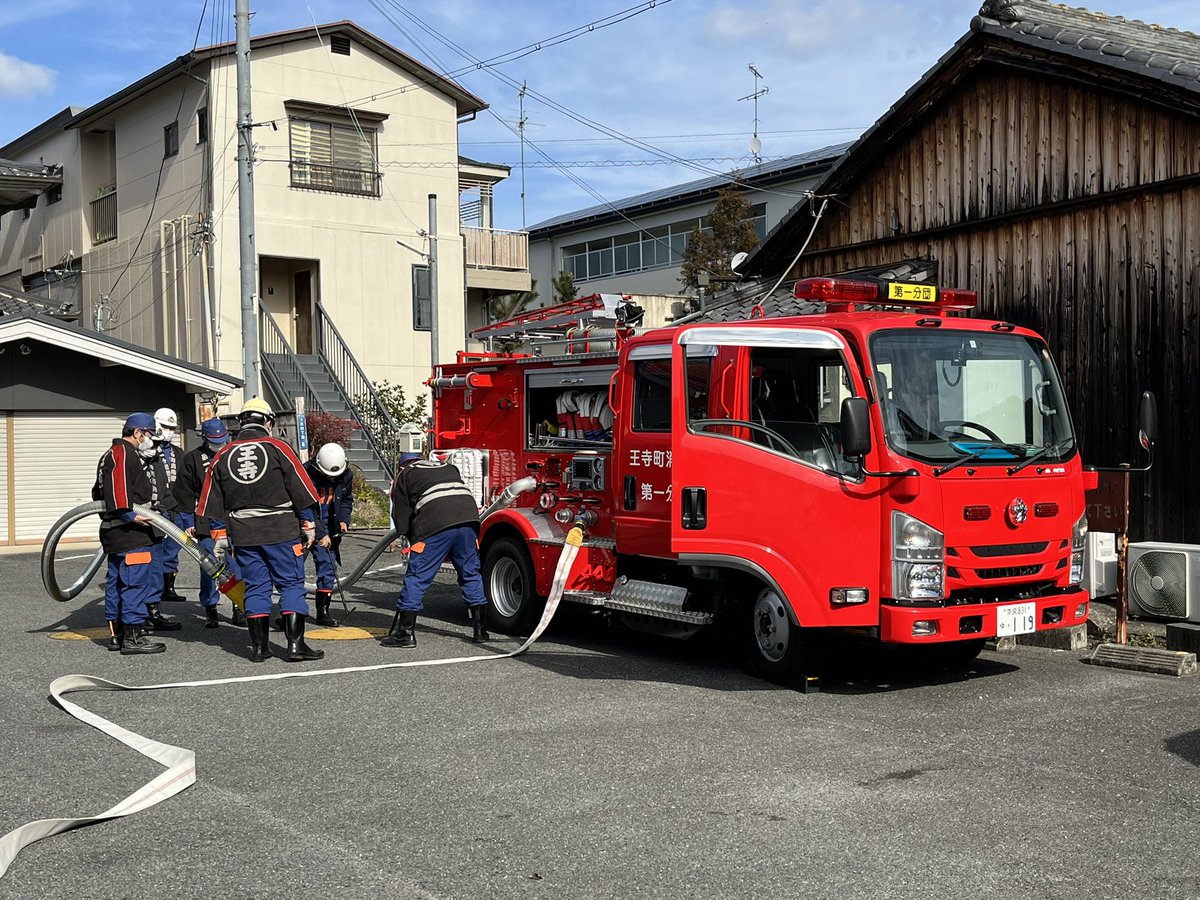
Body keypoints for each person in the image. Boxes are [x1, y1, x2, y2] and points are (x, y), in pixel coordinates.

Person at [197, 398, 322, 663]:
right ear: (268, 421)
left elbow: (212, 501)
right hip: (281, 530)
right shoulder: (278, 447)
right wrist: (309, 523)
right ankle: (296, 646)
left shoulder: (222, 455)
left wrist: (219, 535)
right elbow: (300, 489)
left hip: (244, 534)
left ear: (241, 423)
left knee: (256, 587)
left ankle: (258, 648)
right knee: (291, 585)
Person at [381, 452, 489, 648]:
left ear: (401, 466)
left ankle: (405, 634)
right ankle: (480, 630)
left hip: (435, 522)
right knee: (470, 572)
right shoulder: (446, 466)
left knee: (417, 577)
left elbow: (401, 515)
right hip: (469, 519)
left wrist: (413, 538)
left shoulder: (405, 474)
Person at [92, 413, 168, 655]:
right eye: (149, 435)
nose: (151, 441)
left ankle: (117, 636)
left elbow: (97, 493)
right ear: (138, 432)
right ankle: (134, 637)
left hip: (115, 533)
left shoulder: (109, 454)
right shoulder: (123, 454)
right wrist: (130, 515)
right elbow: (119, 491)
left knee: (115, 582)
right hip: (132, 534)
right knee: (135, 583)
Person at [173, 417, 246, 628]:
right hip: (204, 519)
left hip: (234, 518)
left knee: (237, 565)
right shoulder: (193, 459)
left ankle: (238, 605)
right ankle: (210, 607)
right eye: (214, 440)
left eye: (222, 438)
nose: (219, 443)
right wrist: (187, 521)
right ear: (204, 438)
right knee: (210, 565)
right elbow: (184, 494)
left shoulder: (233, 453)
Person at [302, 442, 354, 628]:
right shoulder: (305, 473)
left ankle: (323, 612)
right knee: (294, 569)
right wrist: (320, 532)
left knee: (328, 567)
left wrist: (343, 520)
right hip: (305, 526)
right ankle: (294, 612)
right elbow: (306, 507)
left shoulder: (346, 474)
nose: (332, 479)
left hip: (330, 527)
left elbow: (347, 500)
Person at [153, 407, 189, 604]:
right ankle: (156, 589)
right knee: (157, 549)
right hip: (158, 508)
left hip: (177, 508)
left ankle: (169, 587)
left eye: (172, 428)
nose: (169, 431)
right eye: (165, 426)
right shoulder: (149, 451)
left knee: (174, 549)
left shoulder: (178, 452)